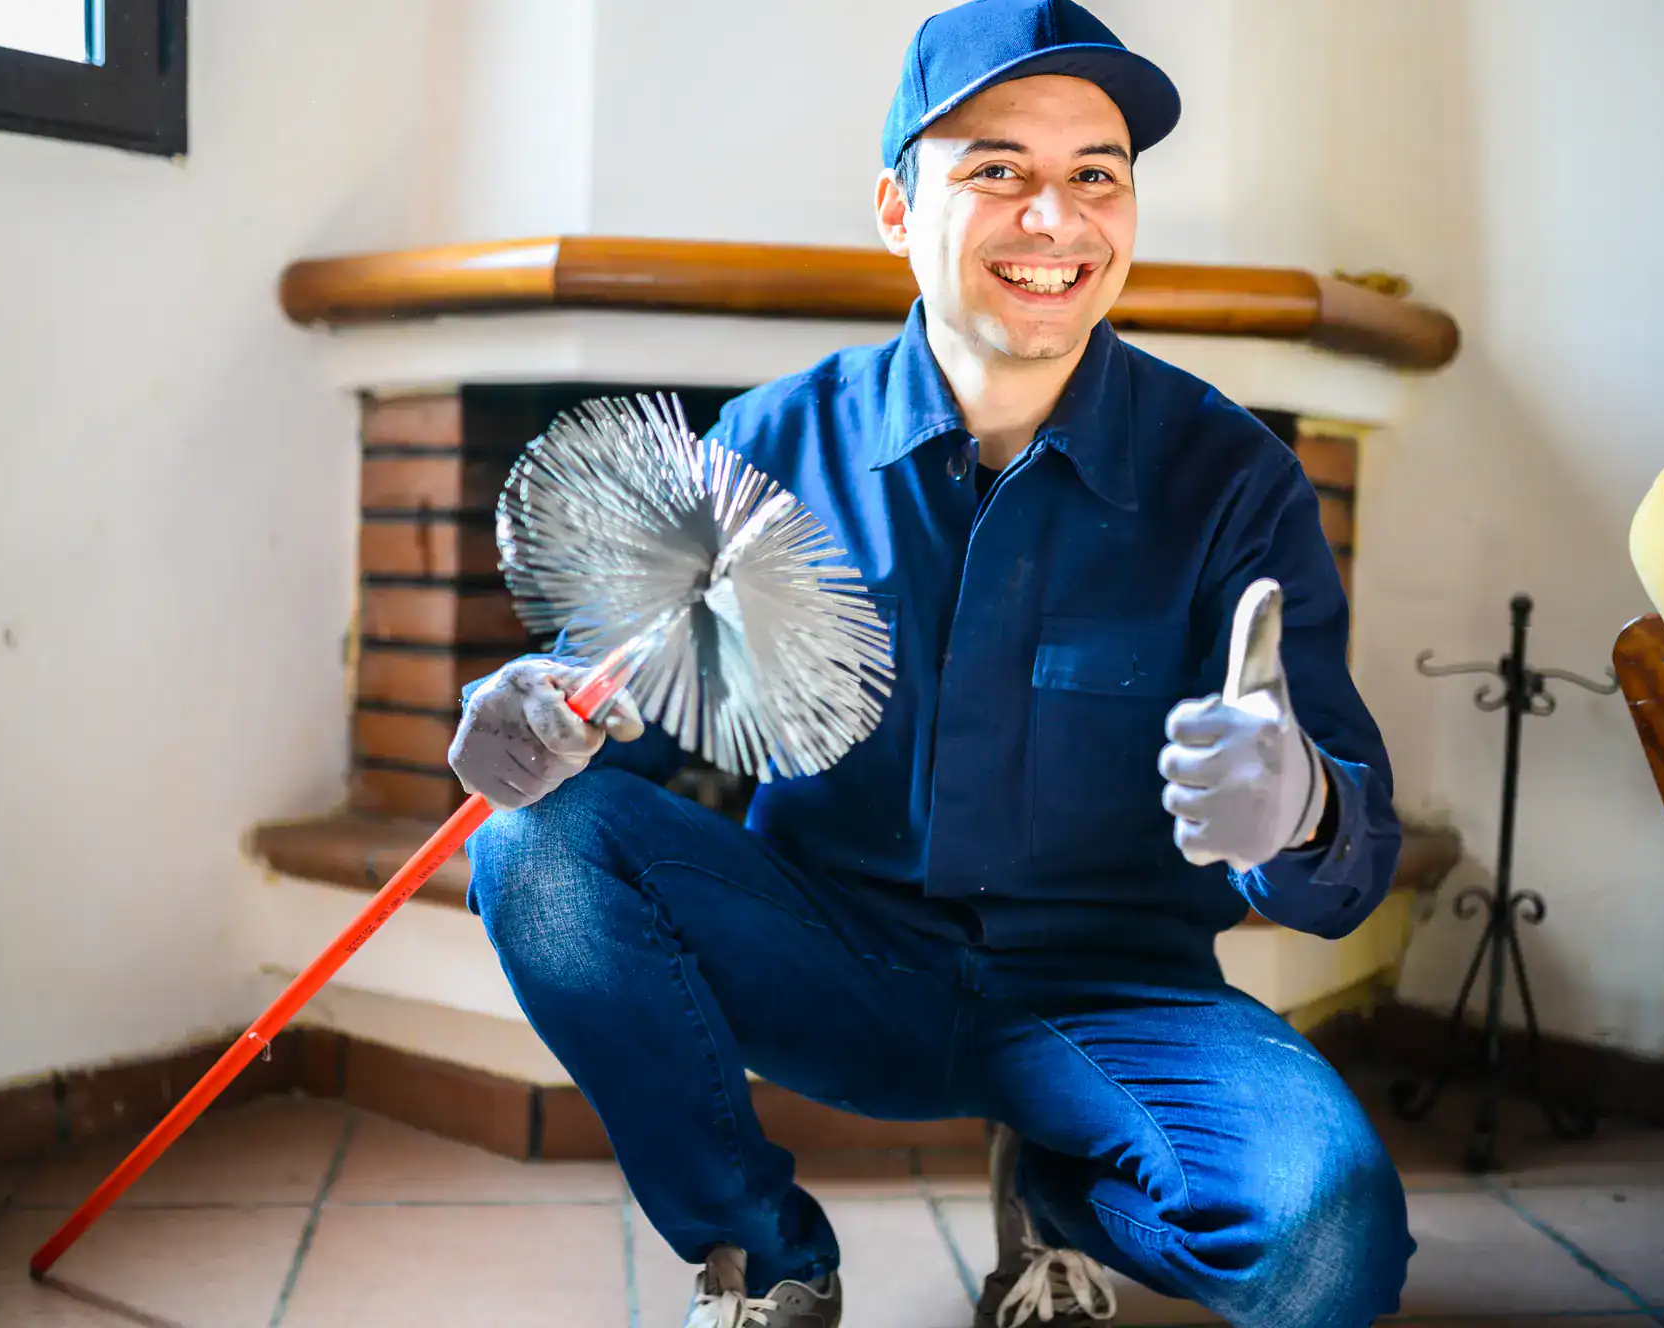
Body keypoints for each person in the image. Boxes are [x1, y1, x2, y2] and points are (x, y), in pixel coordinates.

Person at [448, 2, 1415, 1324]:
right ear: (897, 209)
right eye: (997, 172)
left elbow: (1344, 876)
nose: (1055, 220)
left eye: (1095, 177)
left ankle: (1068, 1191)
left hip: (1113, 995)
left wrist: (1300, 803)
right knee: (532, 839)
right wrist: (529, 715)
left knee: (1332, 1238)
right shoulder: (764, 449)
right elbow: (611, 698)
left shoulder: (1233, 481)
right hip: (835, 958)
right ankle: (767, 1255)